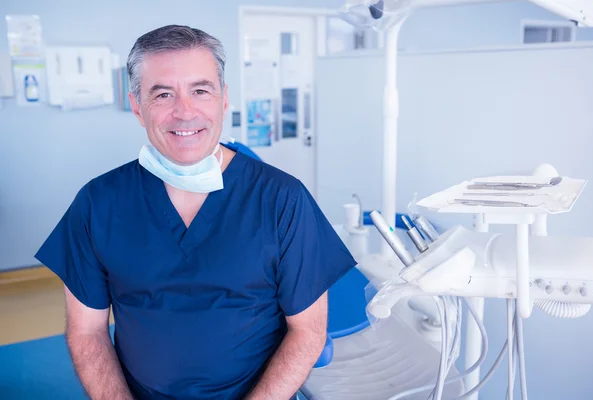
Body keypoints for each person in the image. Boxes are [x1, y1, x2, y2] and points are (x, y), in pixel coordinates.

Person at [35, 25, 357, 400]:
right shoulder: (97, 203)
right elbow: (87, 331)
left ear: (223, 101)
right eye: (163, 94)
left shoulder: (283, 199)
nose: (184, 112)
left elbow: (309, 331)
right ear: (137, 106)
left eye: (200, 91)